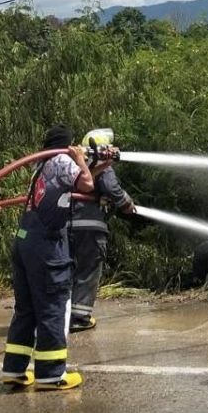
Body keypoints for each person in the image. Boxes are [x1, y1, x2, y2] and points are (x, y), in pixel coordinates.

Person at [1, 125, 97, 391]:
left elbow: (73, 184)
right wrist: (80, 159)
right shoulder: (63, 160)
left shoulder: (41, 165)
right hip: (47, 246)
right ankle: (51, 375)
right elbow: (87, 184)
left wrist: (95, 164)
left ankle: (14, 370)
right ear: (67, 145)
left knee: (27, 309)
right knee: (54, 306)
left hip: (25, 241)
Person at [69, 128, 135, 332]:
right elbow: (111, 188)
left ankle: (63, 313)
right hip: (91, 226)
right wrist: (127, 203)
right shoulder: (101, 166)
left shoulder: (76, 164)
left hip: (68, 226)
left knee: (70, 271)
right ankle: (80, 317)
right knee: (89, 270)